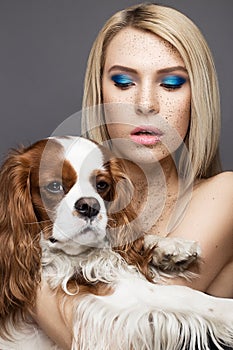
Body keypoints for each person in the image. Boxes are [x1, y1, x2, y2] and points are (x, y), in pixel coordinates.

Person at [34, 3, 233, 349]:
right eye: (124, 82)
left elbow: (132, 336)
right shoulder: (66, 200)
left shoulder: (223, 194)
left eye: (171, 83)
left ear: (196, 96)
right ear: (100, 92)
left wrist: (16, 273)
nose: (145, 103)